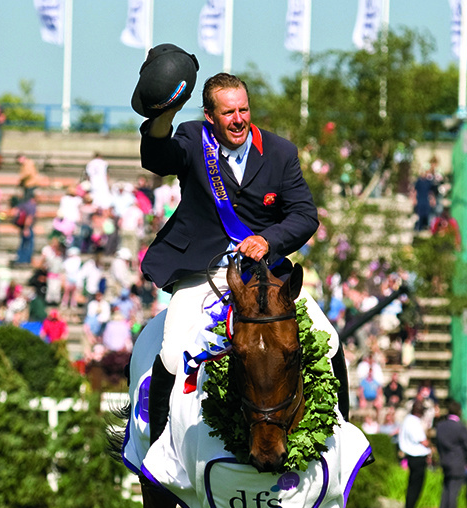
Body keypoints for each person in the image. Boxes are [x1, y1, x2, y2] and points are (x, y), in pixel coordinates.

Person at [136, 61, 347, 442]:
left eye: (243, 109)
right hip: (205, 271)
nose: (238, 119)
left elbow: (304, 215)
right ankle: (159, 455)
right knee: (170, 355)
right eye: (228, 111)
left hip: (263, 273)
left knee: (329, 340)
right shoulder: (190, 137)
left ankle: (344, 439)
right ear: (210, 116)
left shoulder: (280, 152)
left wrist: (269, 240)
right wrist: (162, 116)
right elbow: (157, 158)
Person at [433, 399, 467, 508]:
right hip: (457, 462)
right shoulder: (460, 427)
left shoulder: (440, 426)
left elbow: (438, 443)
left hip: (444, 460)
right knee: (453, 490)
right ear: (459, 412)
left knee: (446, 488)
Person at [398, 399, 431, 508]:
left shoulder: (407, 420)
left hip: (412, 456)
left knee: (412, 484)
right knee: (416, 486)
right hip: (417, 456)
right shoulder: (413, 421)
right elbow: (423, 441)